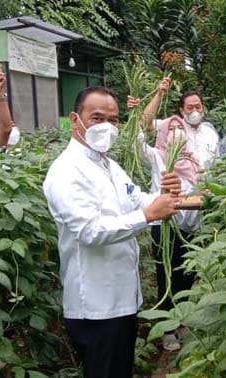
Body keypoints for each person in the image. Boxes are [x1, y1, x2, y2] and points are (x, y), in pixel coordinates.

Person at [42, 86, 182, 378]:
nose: (107, 126)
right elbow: (89, 231)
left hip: (120, 300)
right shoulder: (67, 171)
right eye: (97, 117)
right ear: (74, 119)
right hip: (95, 305)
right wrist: (148, 215)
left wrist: (164, 197)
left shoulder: (110, 166)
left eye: (114, 119)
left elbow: (137, 198)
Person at [135, 113, 201, 351]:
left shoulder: (195, 160)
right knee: (166, 277)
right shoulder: (157, 157)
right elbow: (138, 139)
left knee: (186, 277)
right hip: (165, 228)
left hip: (191, 227)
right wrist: (139, 113)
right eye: (170, 127)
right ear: (162, 133)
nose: (175, 129)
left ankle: (181, 320)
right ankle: (166, 328)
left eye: (179, 126)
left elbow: (202, 188)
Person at [140, 78, 220, 170]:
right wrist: (159, 95)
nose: (195, 111)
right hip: (176, 182)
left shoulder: (211, 134)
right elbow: (145, 123)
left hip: (205, 183)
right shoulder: (171, 127)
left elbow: (217, 166)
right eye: (190, 108)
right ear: (182, 111)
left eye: (198, 107)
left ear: (202, 108)